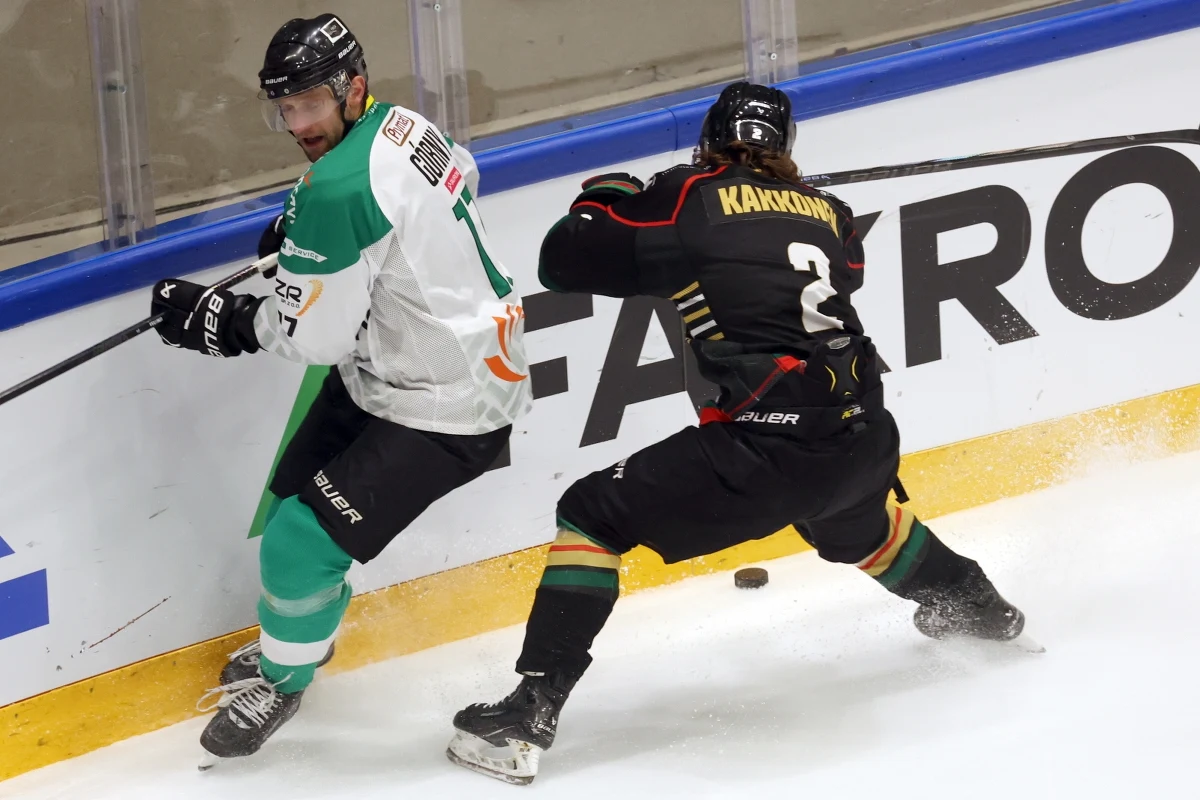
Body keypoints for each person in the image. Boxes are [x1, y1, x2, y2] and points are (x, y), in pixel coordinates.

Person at [445, 81, 1032, 785]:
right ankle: (975, 605)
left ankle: (527, 710)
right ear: (784, 148)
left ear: (707, 141)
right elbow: (848, 264)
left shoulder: (689, 195)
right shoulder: (830, 214)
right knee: (856, 523)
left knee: (592, 512)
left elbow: (563, 259)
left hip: (770, 447)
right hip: (862, 435)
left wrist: (604, 195)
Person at [147, 14, 533, 767]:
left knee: (297, 540)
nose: (298, 124)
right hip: (423, 362)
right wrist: (306, 239)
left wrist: (222, 322)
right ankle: (305, 637)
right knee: (291, 499)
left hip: (446, 403)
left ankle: (286, 679)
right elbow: (460, 173)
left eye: (311, 106)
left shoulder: (339, 185)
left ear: (352, 88)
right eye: (285, 109)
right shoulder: (403, 124)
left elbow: (313, 340)